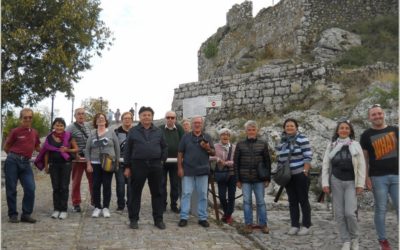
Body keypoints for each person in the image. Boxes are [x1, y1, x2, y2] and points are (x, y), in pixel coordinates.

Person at [322, 120, 365, 250]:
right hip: (336, 181)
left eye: (347, 128)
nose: (344, 130)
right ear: (337, 130)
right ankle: (345, 240)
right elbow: (325, 165)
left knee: (350, 213)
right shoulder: (331, 145)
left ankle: (355, 238)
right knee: (339, 214)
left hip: (351, 181)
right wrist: (325, 182)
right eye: (342, 128)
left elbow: (362, 165)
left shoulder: (356, 145)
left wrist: (360, 184)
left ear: (350, 131)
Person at [360, 104, 398, 250]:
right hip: (377, 178)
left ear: (383, 114)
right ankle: (383, 240)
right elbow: (365, 159)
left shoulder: (395, 130)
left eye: (379, 113)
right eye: (374, 114)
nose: (377, 116)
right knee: (381, 209)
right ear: (370, 117)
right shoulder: (366, 135)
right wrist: (366, 178)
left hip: (397, 176)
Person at [123, 106, 168, 230]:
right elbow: (127, 150)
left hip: (155, 166)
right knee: (135, 193)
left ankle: (158, 220)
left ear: (152, 117)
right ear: (140, 117)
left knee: (157, 193)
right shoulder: (133, 131)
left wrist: (162, 160)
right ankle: (133, 219)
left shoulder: (159, 131)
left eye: (149, 115)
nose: (146, 117)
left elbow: (164, 147)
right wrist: (127, 166)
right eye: (144, 115)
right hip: (138, 165)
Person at [35, 118, 79, 220]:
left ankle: (63, 210)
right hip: (53, 165)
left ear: (64, 126)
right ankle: (56, 209)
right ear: (53, 126)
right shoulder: (49, 137)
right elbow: (46, 152)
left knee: (64, 187)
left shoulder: (68, 136)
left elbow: (76, 149)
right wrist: (46, 166)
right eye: (57, 125)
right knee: (55, 187)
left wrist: (67, 149)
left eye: (61, 125)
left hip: (66, 165)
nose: (59, 127)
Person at [276, 118, 313, 236]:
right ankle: (295, 225)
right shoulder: (282, 141)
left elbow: (308, 155)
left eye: (292, 126)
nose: (289, 128)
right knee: (292, 201)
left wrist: (305, 171)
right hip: (288, 176)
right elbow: (280, 157)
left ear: (296, 127)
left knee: (303, 200)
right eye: (287, 126)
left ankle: (306, 225)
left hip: (300, 173)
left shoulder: (302, 139)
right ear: (284, 128)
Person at [177, 115, 215, 228]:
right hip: (188, 170)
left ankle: (202, 218)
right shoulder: (185, 137)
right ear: (192, 124)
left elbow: (213, 153)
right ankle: (184, 217)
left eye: (199, 123)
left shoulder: (207, 136)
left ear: (202, 124)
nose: (197, 124)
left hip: (203, 171)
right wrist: (180, 168)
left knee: (203, 195)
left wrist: (207, 148)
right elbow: (180, 153)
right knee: (186, 194)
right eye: (195, 123)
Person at [3, 108, 40, 223]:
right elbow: (6, 147)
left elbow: (38, 147)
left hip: (26, 163)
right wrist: (13, 157)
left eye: (30, 117)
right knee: (11, 189)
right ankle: (12, 215)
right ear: (21, 119)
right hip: (12, 161)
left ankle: (26, 214)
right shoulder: (15, 131)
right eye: (25, 117)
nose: (28, 119)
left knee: (30, 188)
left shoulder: (34, 132)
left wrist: (51, 151)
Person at [234, 120, 271, 234]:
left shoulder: (263, 143)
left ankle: (263, 224)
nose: (251, 131)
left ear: (257, 131)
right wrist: (238, 179)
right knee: (246, 202)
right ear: (246, 131)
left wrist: (267, 178)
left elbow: (267, 162)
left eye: (253, 129)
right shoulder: (240, 144)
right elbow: (236, 163)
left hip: (259, 179)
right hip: (245, 179)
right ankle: (248, 224)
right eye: (249, 130)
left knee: (260, 202)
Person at [85, 113, 120, 218]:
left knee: (107, 185)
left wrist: (117, 162)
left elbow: (117, 148)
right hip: (95, 163)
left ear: (105, 120)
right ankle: (97, 207)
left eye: (102, 118)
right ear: (96, 121)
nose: (100, 120)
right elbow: (87, 149)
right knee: (95, 185)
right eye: (98, 118)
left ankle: (105, 207)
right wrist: (88, 164)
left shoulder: (111, 133)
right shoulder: (92, 133)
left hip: (108, 162)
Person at [66, 108, 93, 212]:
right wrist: (73, 153)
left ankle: (94, 201)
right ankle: (76, 203)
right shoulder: (70, 128)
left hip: (89, 157)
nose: (81, 116)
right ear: (75, 116)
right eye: (79, 114)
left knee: (92, 180)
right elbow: (66, 142)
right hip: (77, 158)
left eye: (82, 114)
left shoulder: (88, 126)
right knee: (76, 181)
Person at [159, 111, 185, 213]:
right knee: (162, 184)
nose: (170, 119)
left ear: (175, 119)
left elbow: (183, 142)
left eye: (172, 117)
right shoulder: (160, 129)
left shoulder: (179, 129)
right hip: (162, 162)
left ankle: (174, 204)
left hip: (176, 162)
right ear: (165, 118)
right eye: (168, 117)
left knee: (175, 184)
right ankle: (163, 204)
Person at [214, 128, 236, 225]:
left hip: (232, 175)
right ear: (220, 136)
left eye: (227, 134)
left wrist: (226, 163)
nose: (225, 136)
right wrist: (217, 159)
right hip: (221, 174)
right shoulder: (215, 146)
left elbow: (236, 161)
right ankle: (227, 214)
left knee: (231, 196)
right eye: (223, 134)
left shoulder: (234, 147)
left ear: (229, 136)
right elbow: (209, 156)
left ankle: (228, 215)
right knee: (222, 196)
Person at [114, 111, 134, 212]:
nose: (127, 120)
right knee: (120, 185)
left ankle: (130, 204)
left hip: (132, 164)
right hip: (120, 163)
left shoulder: (135, 131)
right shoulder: (116, 132)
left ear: (132, 120)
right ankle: (120, 205)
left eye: (129, 118)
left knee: (131, 186)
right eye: (125, 118)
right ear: (122, 120)